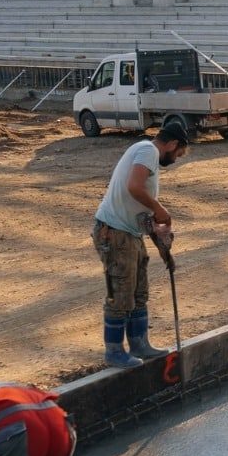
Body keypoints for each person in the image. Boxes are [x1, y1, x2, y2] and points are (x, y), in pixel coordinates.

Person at [93, 123, 190, 367]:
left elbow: (141, 213)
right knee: (121, 292)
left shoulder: (149, 159)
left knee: (138, 292)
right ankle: (114, 351)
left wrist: (163, 248)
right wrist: (159, 208)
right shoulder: (148, 150)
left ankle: (140, 344)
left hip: (129, 233)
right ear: (172, 144)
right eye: (178, 154)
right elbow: (133, 187)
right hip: (114, 233)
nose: (176, 159)